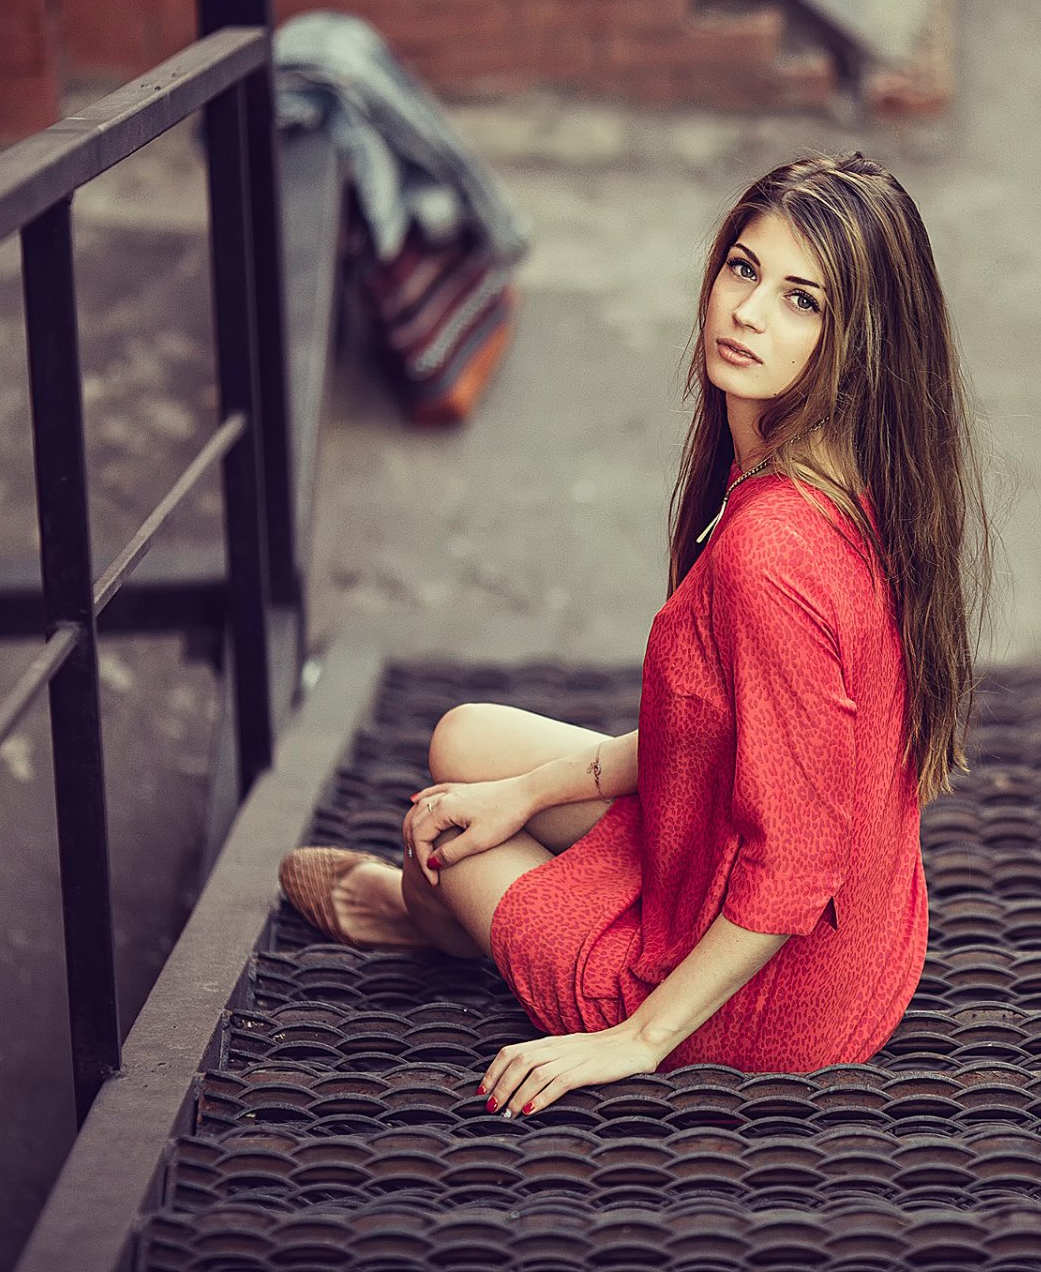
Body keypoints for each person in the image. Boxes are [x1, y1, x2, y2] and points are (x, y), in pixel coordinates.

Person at [278, 150, 994, 1119]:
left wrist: (634, 1038)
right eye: (744, 269)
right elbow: (728, 736)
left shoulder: (771, 554)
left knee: (439, 835)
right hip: (859, 930)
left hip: (769, 1006)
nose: (747, 313)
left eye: (802, 301)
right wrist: (527, 791)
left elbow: (796, 865)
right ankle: (454, 901)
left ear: (859, 340)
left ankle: (424, 921)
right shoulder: (859, 479)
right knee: (469, 747)